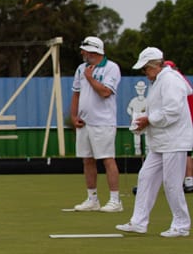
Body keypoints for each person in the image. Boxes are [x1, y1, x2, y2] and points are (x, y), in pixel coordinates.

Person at [116, 47, 193, 237]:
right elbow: (159, 110)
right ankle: (139, 222)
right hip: (161, 141)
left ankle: (181, 225)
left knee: (172, 183)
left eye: (145, 68)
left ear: (155, 65)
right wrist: (144, 122)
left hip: (174, 140)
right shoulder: (158, 81)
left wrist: (149, 120)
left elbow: (172, 111)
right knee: (146, 177)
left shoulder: (170, 80)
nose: (144, 72)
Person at [70, 36, 123, 212]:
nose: (82, 53)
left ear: (93, 51)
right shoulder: (81, 68)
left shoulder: (111, 68)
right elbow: (76, 93)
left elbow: (106, 92)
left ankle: (115, 201)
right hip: (84, 122)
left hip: (103, 122)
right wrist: (73, 115)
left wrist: (90, 78)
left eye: (84, 50)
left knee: (107, 159)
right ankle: (92, 199)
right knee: (87, 160)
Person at [163, 60, 193, 192]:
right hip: (187, 122)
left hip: (183, 123)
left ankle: (182, 181)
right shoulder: (182, 80)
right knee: (186, 152)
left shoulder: (173, 81)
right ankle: (188, 180)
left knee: (182, 152)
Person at [126, 80, 148, 156]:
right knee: (136, 134)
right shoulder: (134, 101)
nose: (141, 91)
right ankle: (137, 150)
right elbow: (129, 108)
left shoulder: (147, 101)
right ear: (136, 90)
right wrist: (132, 114)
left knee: (147, 134)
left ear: (145, 90)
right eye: (139, 89)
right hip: (136, 120)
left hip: (145, 120)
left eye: (142, 89)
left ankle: (147, 150)